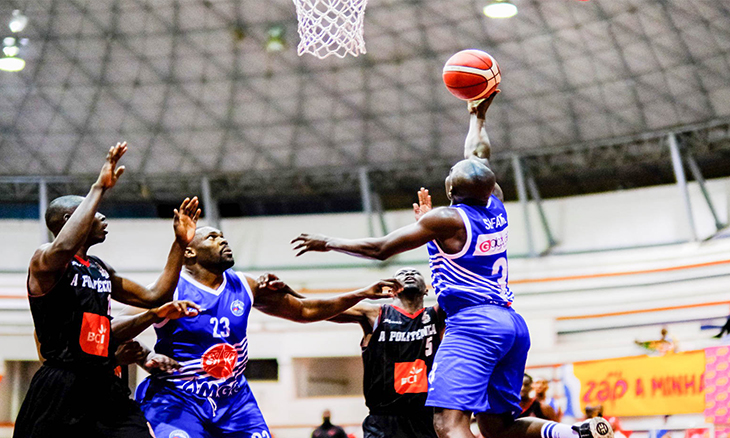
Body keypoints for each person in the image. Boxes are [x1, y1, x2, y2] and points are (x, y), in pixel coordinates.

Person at [291, 93, 613, 438]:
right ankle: (574, 434)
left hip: (473, 325)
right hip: (512, 326)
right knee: (496, 427)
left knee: (448, 425)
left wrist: (329, 242)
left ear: (449, 188)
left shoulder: (447, 219)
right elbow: (477, 156)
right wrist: (477, 118)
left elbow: (382, 248)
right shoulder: (495, 206)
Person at [126, 225, 402, 438]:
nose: (223, 240)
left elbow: (304, 311)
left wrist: (360, 293)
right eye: (212, 237)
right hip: (179, 397)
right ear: (189, 251)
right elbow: (115, 328)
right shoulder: (166, 290)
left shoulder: (246, 285)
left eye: (223, 236)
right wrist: (145, 355)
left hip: (233, 400)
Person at [14, 142, 202, 438]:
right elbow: (63, 246)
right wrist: (99, 188)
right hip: (61, 387)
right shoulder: (45, 260)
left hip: (104, 381)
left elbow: (156, 296)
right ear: (70, 221)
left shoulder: (99, 268)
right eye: (95, 214)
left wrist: (180, 244)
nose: (102, 218)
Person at [329, 267, 445, 438]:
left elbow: (467, 294)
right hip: (383, 420)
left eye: (416, 273)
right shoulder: (374, 314)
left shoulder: (436, 315)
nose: (410, 274)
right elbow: (318, 309)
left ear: (426, 290)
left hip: (425, 418)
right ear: (391, 290)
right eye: (402, 273)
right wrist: (292, 294)